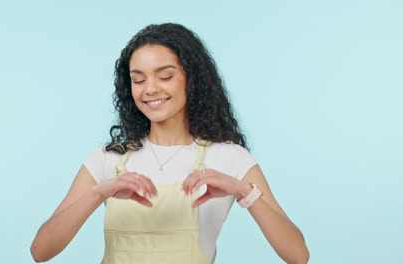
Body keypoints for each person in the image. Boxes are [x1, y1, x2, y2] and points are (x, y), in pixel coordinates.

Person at [30, 23, 310, 264]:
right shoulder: (108, 159)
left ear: (193, 81)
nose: (150, 89)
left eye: (165, 76)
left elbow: (298, 255)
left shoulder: (229, 158)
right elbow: (40, 251)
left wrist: (241, 190)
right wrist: (99, 193)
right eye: (138, 80)